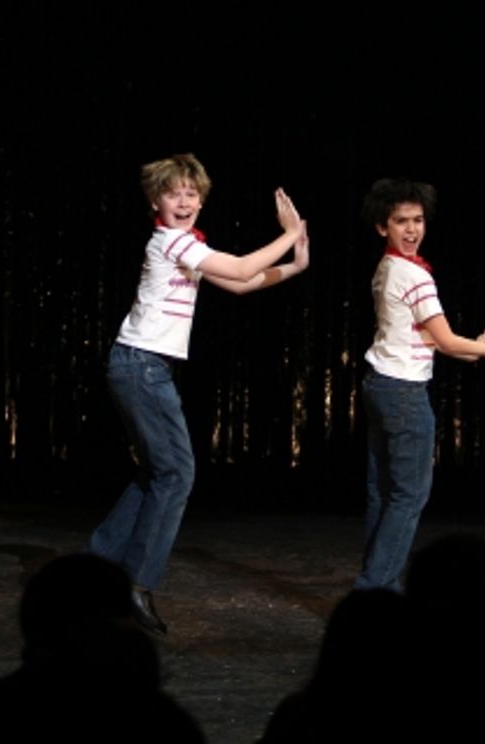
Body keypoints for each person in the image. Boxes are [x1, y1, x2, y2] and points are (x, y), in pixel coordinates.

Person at [90, 153, 309, 635]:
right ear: (155, 201)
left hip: (142, 367)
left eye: (192, 193)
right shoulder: (171, 241)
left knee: (159, 472)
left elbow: (241, 282)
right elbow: (240, 266)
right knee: (177, 473)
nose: (185, 201)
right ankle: (135, 582)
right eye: (174, 193)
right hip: (142, 366)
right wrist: (289, 233)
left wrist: (295, 265)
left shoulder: (186, 246)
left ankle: (99, 566)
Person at [357, 178, 485, 591]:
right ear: (383, 226)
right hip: (403, 393)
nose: (412, 229)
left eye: (418, 220)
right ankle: (374, 590)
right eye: (401, 221)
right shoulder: (414, 276)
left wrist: (470, 349)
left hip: (380, 385)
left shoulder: (387, 267)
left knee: (384, 493)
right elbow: (447, 340)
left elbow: (418, 334)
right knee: (409, 497)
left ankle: (375, 589)